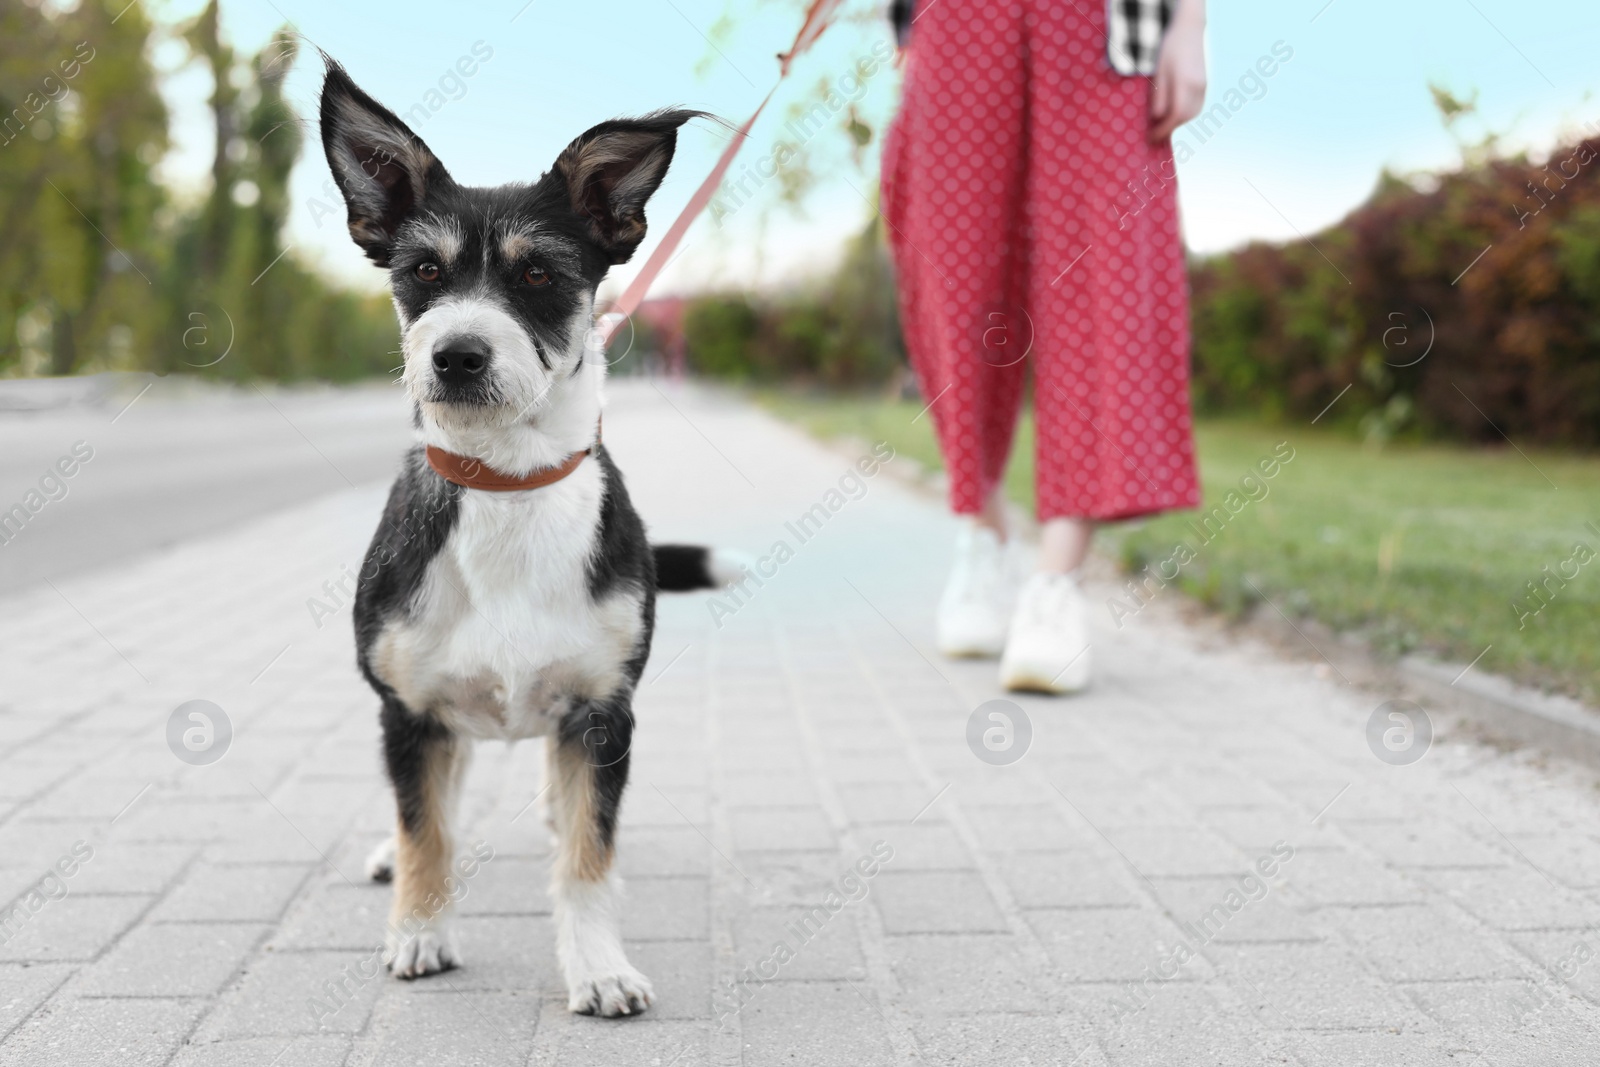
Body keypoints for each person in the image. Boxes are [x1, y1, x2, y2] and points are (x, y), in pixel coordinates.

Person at [880, 0, 1208, 693]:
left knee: (1106, 282)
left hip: (1102, 20)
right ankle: (984, 532)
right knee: (951, 278)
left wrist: (1190, 22)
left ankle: (1054, 583)